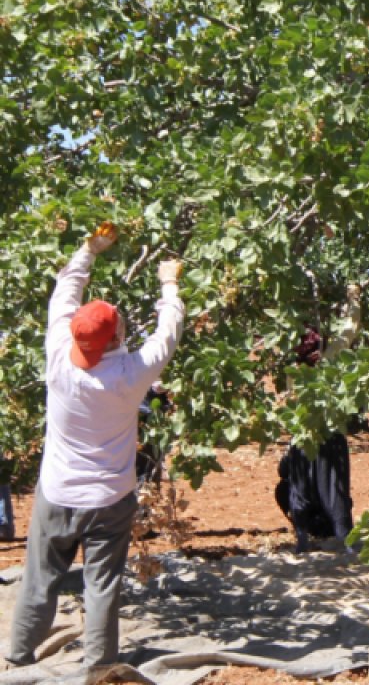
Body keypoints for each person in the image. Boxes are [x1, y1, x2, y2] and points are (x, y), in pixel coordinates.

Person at [7, 222, 184, 671]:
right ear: (117, 338)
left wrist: (88, 251)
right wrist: (169, 283)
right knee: (101, 583)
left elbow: (63, 294)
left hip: (57, 493)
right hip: (109, 498)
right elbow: (169, 333)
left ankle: (18, 656)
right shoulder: (129, 376)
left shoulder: (57, 353)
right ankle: (99, 667)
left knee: (39, 579)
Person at [274, 285, 363, 554]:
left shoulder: (291, 368)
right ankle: (344, 540)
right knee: (333, 489)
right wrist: (354, 298)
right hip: (330, 434)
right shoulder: (331, 356)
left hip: (302, 435)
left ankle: (302, 540)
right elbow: (350, 327)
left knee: (300, 488)